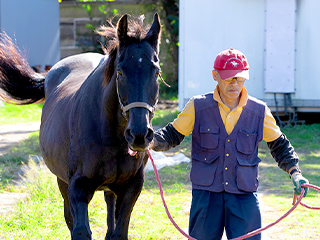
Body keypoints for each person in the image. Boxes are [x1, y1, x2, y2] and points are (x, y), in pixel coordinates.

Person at [152, 48, 309, 240]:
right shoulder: (197, 106)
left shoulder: (260, 111)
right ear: (215, 75)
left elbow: (280, 145)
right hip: (206, 195)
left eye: (240, 78)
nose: (235, 84)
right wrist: (149, 141)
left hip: (244, 195)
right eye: (229, 78)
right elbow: (171, 135)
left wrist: (295, 173)